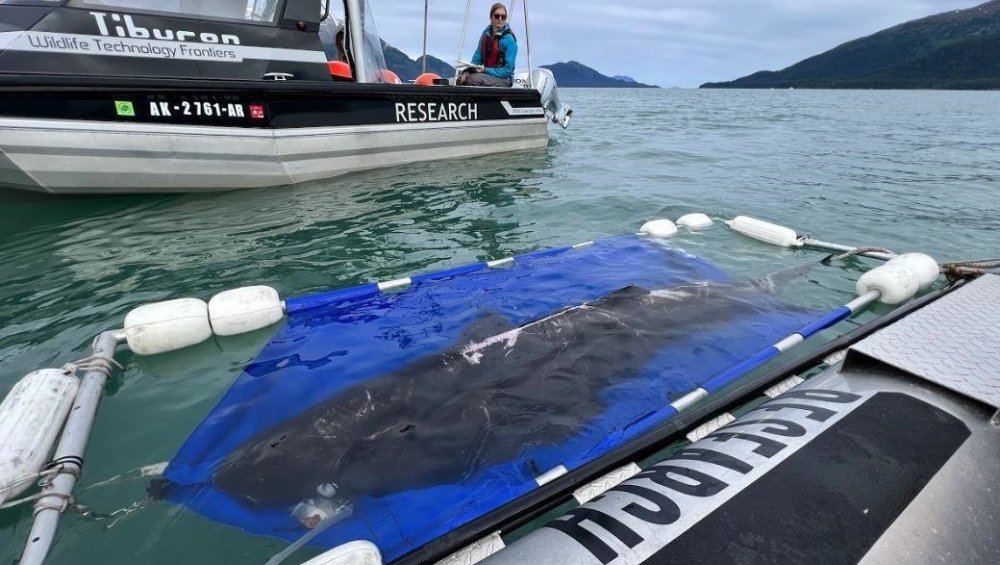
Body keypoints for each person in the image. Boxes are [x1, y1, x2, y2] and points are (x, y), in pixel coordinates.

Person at [457, 3, 517, 87]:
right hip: (488, 76)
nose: (500, 19)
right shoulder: (485, 36)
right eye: (497, 16)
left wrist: (485, 70)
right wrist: (467, 72)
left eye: (503, 17)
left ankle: (483, 100)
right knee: (462, 78)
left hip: (504, 79)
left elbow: (508, 70)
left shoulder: (509, 40)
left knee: (472, 80)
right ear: (491, 17)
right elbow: (477, 59)